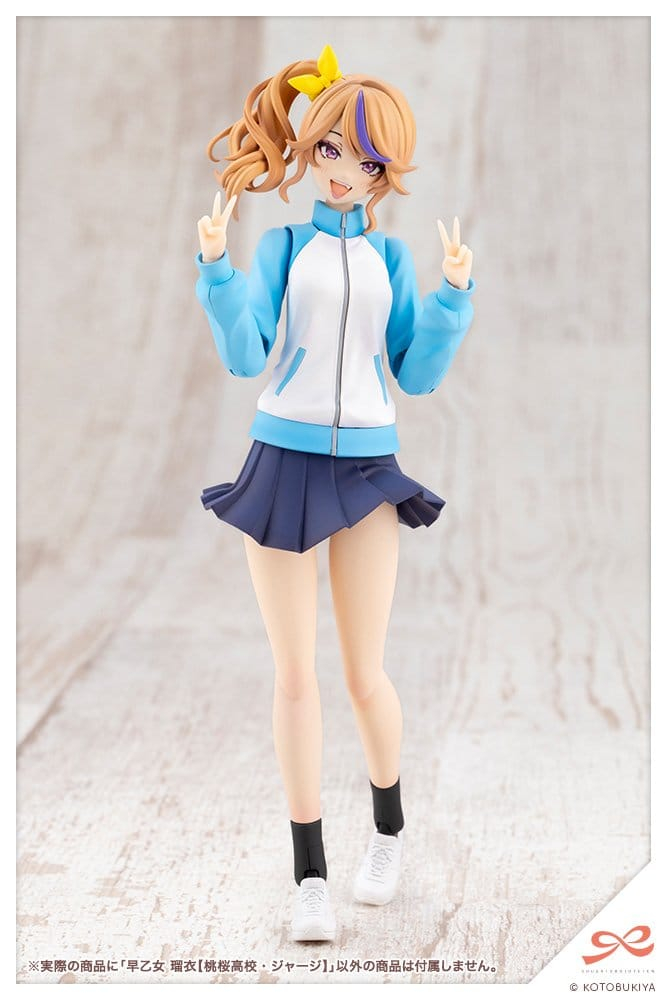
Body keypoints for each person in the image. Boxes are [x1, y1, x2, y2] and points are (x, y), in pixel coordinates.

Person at [194, 44, 475, 942]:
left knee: (362, 673)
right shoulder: (284, 245)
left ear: (386, 172)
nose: (344, 171)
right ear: (308, 149)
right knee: (293, 677)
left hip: (366, 467)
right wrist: (216, 271)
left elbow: (414, 372)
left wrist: (452, 298)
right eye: (329, 150)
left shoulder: (390, 256)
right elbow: (246, 352)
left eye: (366, 160)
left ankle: (387, 833)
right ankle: (308, 873)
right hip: (280, 458)